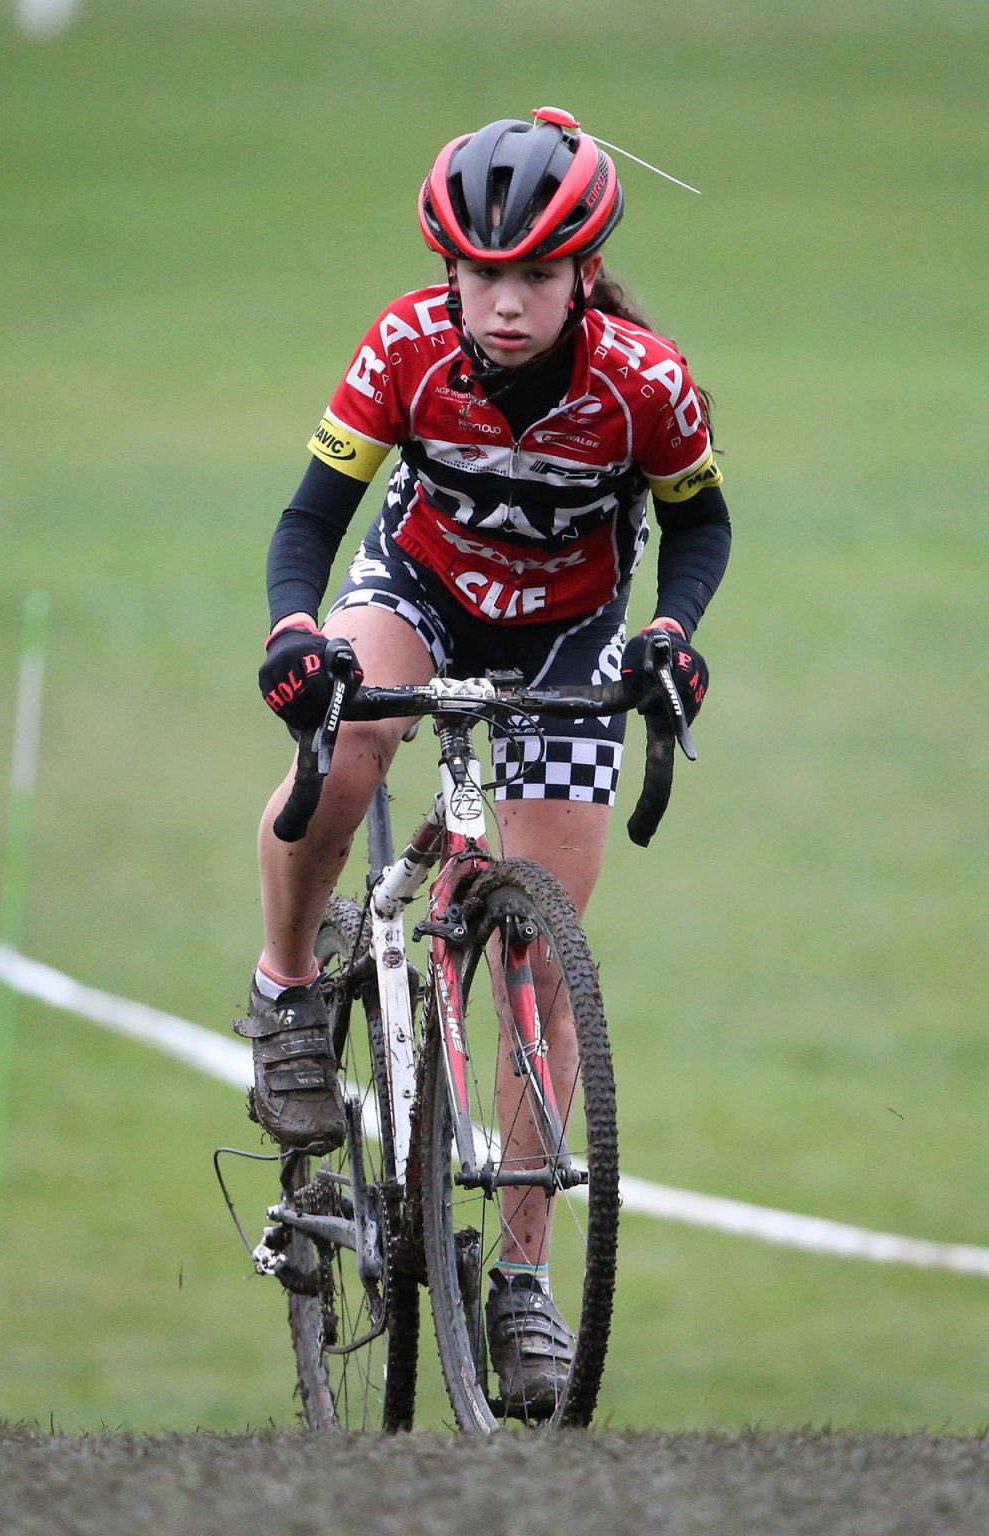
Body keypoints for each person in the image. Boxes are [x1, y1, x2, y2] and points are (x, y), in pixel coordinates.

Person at [235, 107, 731, 1410]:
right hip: (424, 593)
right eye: (483, 275)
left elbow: (701, 526)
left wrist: (672, 636)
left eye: (536, 278)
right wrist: (299, 631)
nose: (506, 305)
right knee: (337, 756)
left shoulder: (645, 381)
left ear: (581, 276)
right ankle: (288, 993)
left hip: (569, 637)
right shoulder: (404, 346)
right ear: (449, 271)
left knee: (543, 947)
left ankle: (522, 1284)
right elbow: (311, 519)